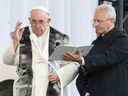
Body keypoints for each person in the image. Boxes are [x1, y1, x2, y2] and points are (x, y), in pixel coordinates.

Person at [49, 4, 128, 96]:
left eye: (99, 21)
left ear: (112, 21)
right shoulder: (95, 43)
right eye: (94, 21)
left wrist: (82, 60)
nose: (95, 25)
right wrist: (85, 92)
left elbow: (106, 59)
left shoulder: (123, 40)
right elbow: (84, 72)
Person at [3, 6, 69, 96]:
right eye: (33, 21)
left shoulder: (60, 38)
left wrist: (60, 75)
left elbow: (72, 64)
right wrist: (15, 42)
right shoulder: (22, 35)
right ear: (29, 20)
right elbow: (7, 60)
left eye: (41, 21)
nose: (37, 26)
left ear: (49, 21)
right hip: (26, 90)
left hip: (51, 89)